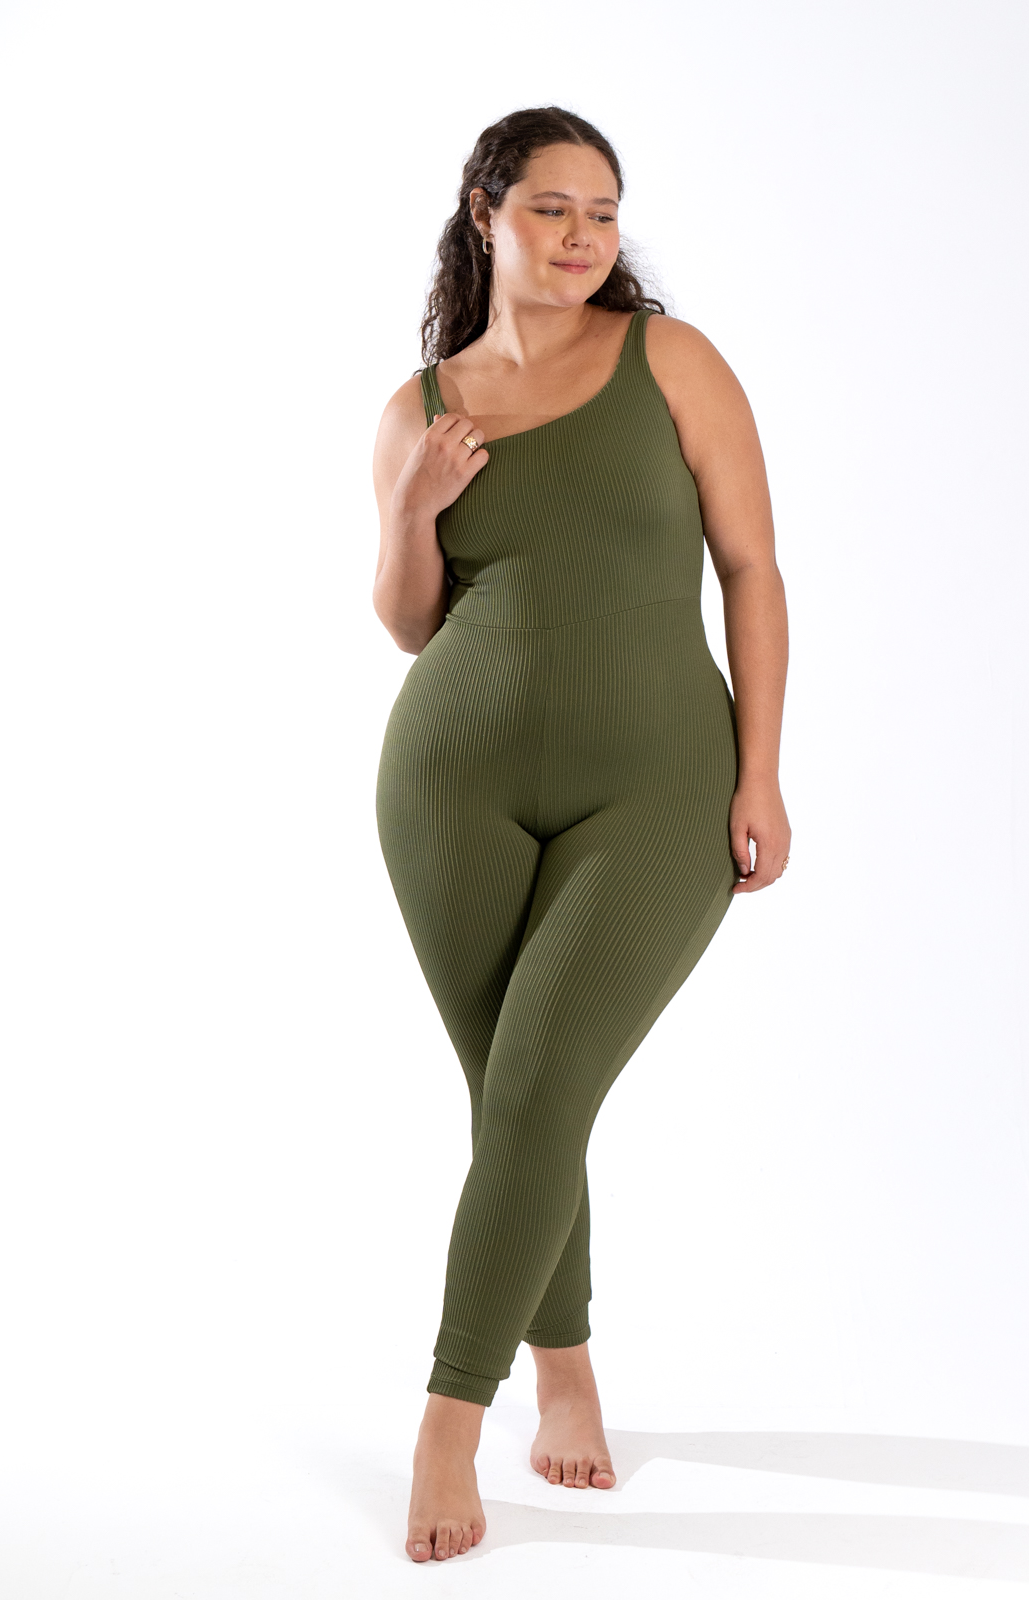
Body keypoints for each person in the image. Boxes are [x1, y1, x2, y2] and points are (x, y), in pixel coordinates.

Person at [371, 106, 790, 1564]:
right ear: (485, 212)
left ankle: (448, 1414)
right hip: (453, 788)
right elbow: (410, 621)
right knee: (518, 1095)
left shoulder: (673, 362)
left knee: (541, 1076)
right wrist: (414, 506)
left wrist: (761, 773)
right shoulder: (423, 407)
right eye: (552, 207)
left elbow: (751, 567)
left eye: (602, 212)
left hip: (658, 785)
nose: (582, 236)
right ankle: (564, 1368)